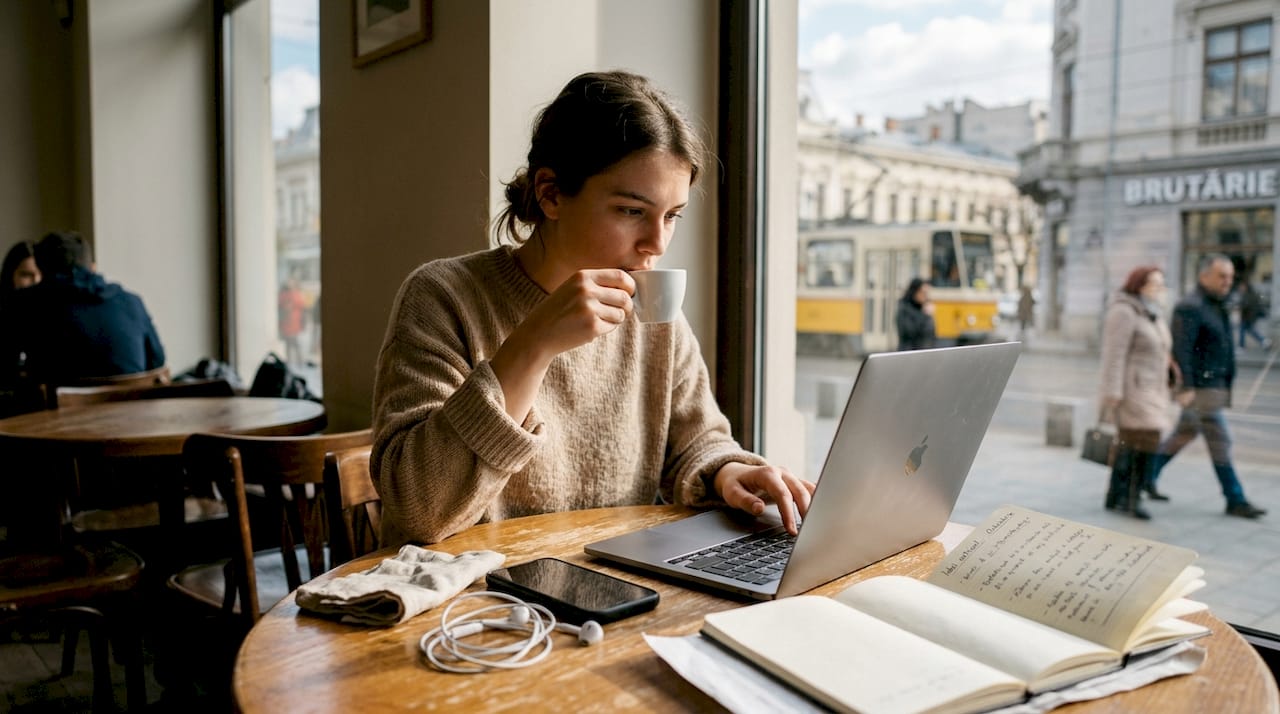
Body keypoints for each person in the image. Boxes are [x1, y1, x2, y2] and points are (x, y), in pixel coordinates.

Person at [371, 70, 815, 545]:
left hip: (613, 590)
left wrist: (725, 471)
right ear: (551, 193)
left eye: (671, 216)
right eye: (631, 211)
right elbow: (417, 511)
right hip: (478, 602)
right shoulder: (443, 296)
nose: (656, 243)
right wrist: (533, 344)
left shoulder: (652, 311)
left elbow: (697, 441)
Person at [1148, 254, 1266, 519]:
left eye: (1231, 277)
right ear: (1204, 276)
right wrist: (1186, 388)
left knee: (1182, 436)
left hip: (1213, 388)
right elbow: (1182, 350)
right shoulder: (1191, 306)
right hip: (1199, 390)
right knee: (1221, 441)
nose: (1228, 282)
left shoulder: (1217, 304)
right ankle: (1235, 498)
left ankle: (1144, 476)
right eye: (1222, 276)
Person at [0, 231, 165, 386]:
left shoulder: (25, 304)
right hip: (133, 412)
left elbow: (7, 371)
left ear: (42, 268)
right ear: (92, 267)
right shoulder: (132, 302)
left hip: (59, 415)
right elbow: (158, 363)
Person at [1097, 266, 1175, 520]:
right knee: (1139, 443)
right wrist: (1112, 393)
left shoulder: (1152, 312)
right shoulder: (1124, 311)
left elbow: (1163, 350)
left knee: (1132, 444)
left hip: (1153, 389)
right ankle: (1130, 498)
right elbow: (1113, 355)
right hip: (1132, 390)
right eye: (1154, 284)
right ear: (1139, 285)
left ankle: (1115, 496)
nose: (1159, 289)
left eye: (1161, 284)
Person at [895, 277, 935, 350]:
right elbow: (910, 333)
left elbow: (931, 335)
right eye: (923, 292)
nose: (925, 296)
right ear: (915, 291)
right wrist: (926, 316)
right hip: (908, 353)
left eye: (926, 293)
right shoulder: (904, 308)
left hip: (923, 353)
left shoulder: (922, 309)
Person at [278, 277, 307, 365]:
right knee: (289, 344)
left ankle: (298, 361)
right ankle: (291, 362)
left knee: (294, 343)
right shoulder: (284, 295)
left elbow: (302, 307)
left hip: (293, 323)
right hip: (287, 324)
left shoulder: (296, 294)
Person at [1237, 281, 1271, 350]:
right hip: (1249, 317)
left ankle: (1241, 346)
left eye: (1242, 286)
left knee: (1243, 331)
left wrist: (1240, 307)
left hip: (1247, 317)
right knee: (1250, 331)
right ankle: (1264, 341)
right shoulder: (1251, 294)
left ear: (1245, 287)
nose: (1240, 288)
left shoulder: (1247, 295)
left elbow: (1246, 306)